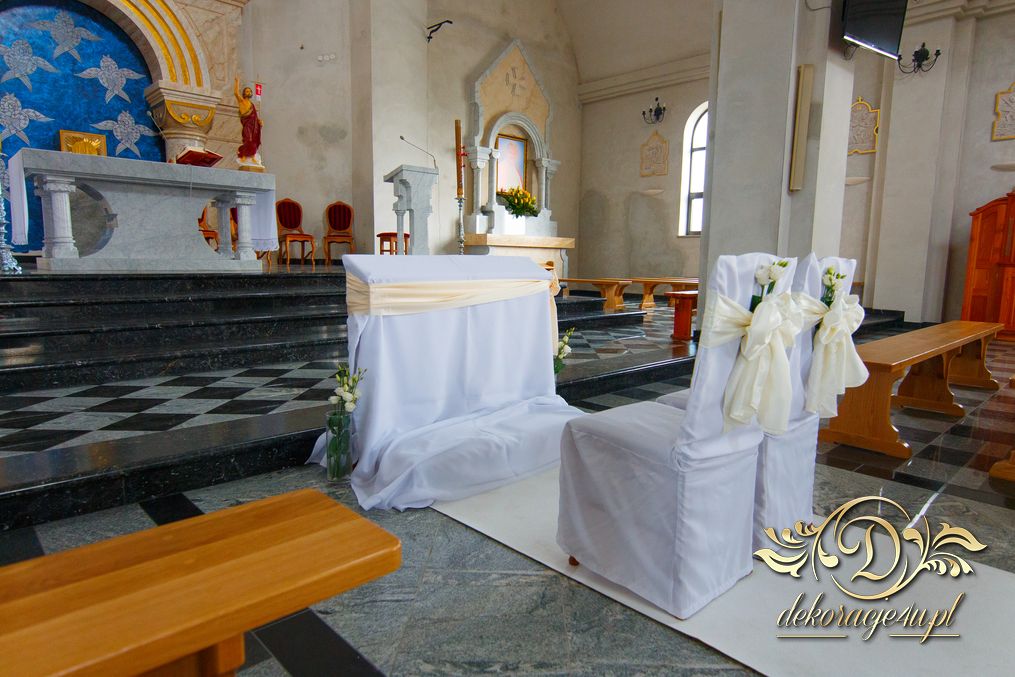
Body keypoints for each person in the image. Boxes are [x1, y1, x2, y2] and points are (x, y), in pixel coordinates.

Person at [234, 75, 262, 163]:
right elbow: (236, 93)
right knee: (248, 139)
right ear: (244, 93)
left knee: (254, 140)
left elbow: (255, 117)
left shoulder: (252, 105)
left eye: (250, 91)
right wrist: (237, 82)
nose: (248, 92)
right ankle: (243, 155)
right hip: (247, 124)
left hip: (254, 125)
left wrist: (259, 122)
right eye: (247, 91)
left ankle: (252, 156)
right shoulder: (242, 101)